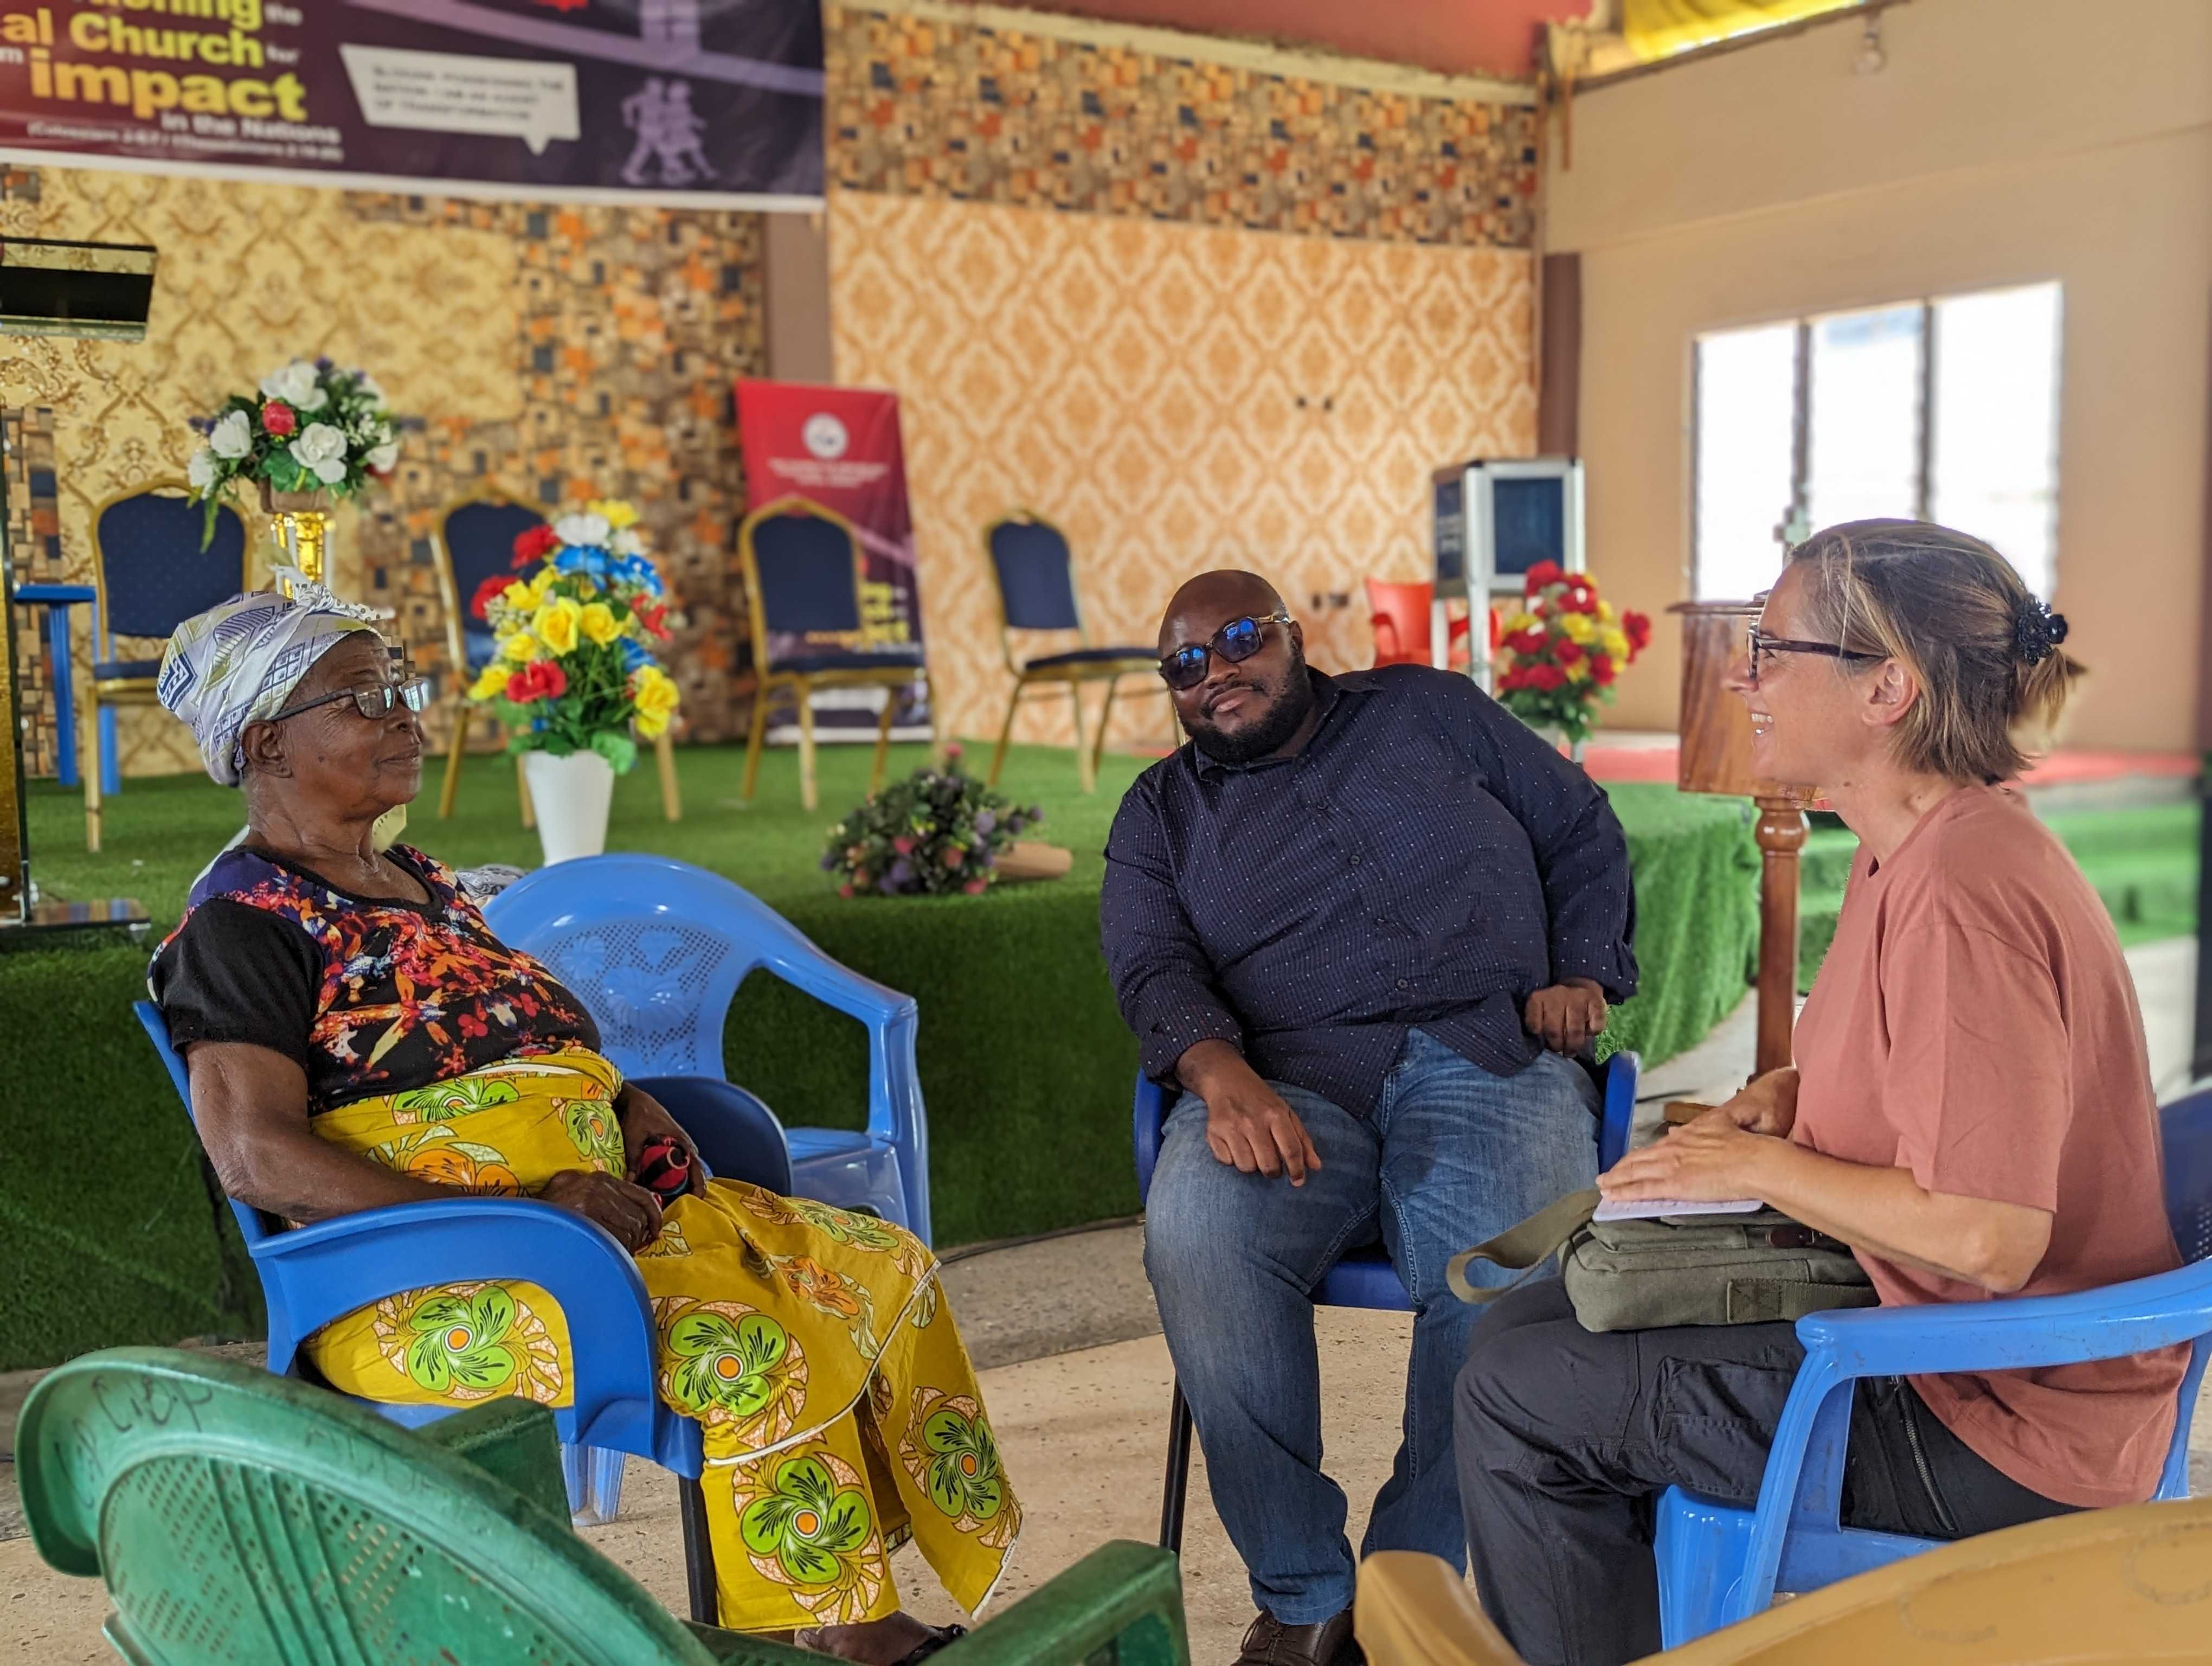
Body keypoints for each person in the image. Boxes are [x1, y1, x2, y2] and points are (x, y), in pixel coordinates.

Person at [147, 586, 1015, 1663]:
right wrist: (525, 1206)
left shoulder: (420, 882)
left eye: (401, 689)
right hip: (431, 1278)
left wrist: (621, 1099)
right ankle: (855, 1631)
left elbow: (520, 1041)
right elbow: (254, 1157)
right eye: (363, 699)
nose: (405, 716)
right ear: (266, 740)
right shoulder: (239, 927)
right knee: (746, 1350)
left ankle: (838, 1609)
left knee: (880, 1263)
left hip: (585, 1231)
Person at [1454, 520, 2187, 1666]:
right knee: (1522, 1319)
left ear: (1887, 687)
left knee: (1515, 1391)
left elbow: (1992, 1238)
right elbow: (1939, 1068)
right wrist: (1787, 1101)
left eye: (1769, 645)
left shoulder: (1963, 891)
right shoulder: (1921, 845)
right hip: (1950, 1352)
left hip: (1995, 1423)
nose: (1743, 676)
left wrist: (1755, 1166)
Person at [1101, 571, 1638, 1666]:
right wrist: (1215, 1072)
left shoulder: (1430, 710)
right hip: (1289, 1085)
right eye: (1185, 665)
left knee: (1499, 1271)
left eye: (1239, 640)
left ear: (1296, 640)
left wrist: (1579, 968)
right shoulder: (1160, 814)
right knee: (1198, 1236)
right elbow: (1153, 966)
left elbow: (1580, 827)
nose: (1216, 673)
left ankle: (1406, 1588)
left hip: (1491, 1051)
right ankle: (1303, 1597)